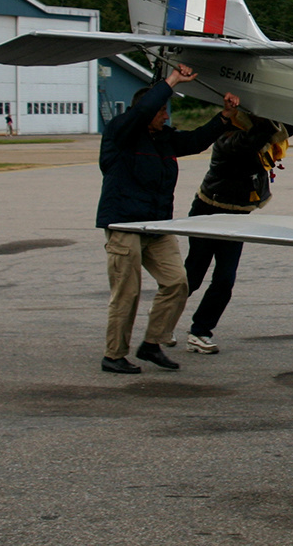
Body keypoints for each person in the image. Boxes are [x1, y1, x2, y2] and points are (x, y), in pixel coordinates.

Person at [97, 64, 238, 374]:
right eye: (161, 111)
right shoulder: (120, 133)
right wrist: (171, 80)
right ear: (145, 112)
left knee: (177, 283)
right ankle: (114, 355)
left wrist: (225, 116)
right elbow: (144, 108)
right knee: (128, 293)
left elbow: (196, 141)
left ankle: (151, 344)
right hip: (124, 225)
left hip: (157, 226)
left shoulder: (163, 139)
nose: (165, 116)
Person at [182, 113, 289, 352]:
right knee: (193, 276)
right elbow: (250, 142)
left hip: (236, 217)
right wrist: (270, 120)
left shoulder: (258, 136)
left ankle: (200, 331)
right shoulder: (228, 140)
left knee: (225, 279)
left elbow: (281, 129)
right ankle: (162, 318)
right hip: (207, 214)